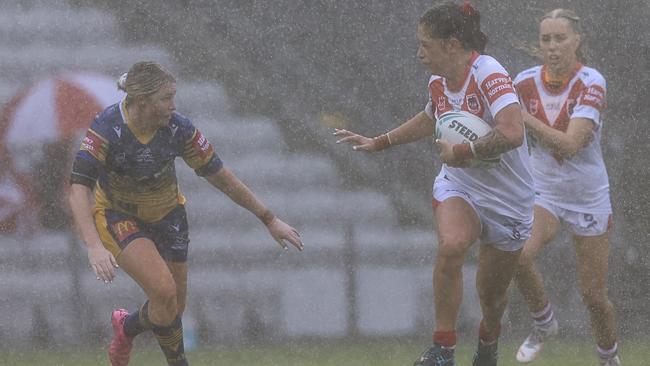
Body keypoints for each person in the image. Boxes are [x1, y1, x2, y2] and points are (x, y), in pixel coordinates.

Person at [335, 2, 533, 365]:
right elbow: (430, 118)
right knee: (452, 245)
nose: (419, 52)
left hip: (509, 199)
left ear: (452, 44)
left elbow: (513, 131)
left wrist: (463, 151)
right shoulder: (438, 82)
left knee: (491, 297)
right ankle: (443, 348)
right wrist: (380, 142)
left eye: (426, 44)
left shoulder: (489, 74)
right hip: (461, 185)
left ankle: (488, 343)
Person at [68, 61, 303, 366]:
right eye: (166, 98)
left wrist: (268, 218)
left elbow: (220, 175)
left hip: (169, 216)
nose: (172, 105)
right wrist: (94, 246)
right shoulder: (107, 128)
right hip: (119, 216)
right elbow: (78, 188)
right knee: (163, 291)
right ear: (142, 102)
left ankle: (126, 327)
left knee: (171, 308)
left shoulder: (178, 128)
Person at [512, 9, 620, 366]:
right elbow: (498, 124)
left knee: (594, 297)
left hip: (587, 195)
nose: (553, 47)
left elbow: (571, 145)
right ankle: (544, 322)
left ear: (577, 41)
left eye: (561, 39)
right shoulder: (522, 82)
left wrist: (523, 118)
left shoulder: (592, 81)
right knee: (517, 251)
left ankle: (609, 358)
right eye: (546, 39)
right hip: (543, 190)